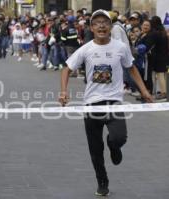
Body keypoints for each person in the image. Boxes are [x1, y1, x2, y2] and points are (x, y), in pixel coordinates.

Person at [59, 10, 153, 196]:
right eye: (97, 23)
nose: (101, 26)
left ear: (110, 27)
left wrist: (144, 91)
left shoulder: (120, 47)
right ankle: (102, 181)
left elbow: (131, 68)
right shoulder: (86, 49)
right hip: (92, 104)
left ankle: (114, 146)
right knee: (95, 149)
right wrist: (63, 92)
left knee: (119, 137)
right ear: (92, 28)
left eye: (105, 22)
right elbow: (66, 69)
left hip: (114, 102)